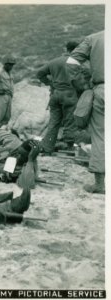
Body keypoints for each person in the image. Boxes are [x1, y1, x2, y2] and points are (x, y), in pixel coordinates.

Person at [66, 31, 104, 194]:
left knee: (101, 136)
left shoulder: (95, 38)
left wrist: (81, 85)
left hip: (103, 89)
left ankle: (100, 185)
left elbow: (72, 61)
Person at [37, 41, 79, 153]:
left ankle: (47, 147)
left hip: (55, 94)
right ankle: (70, 147)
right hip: (70, 94)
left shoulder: (54, 61)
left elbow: (39, 73)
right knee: (70, 121)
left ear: (66, 49)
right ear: (76, 49)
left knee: (53, 122)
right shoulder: (76, 62)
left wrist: (50, 83)